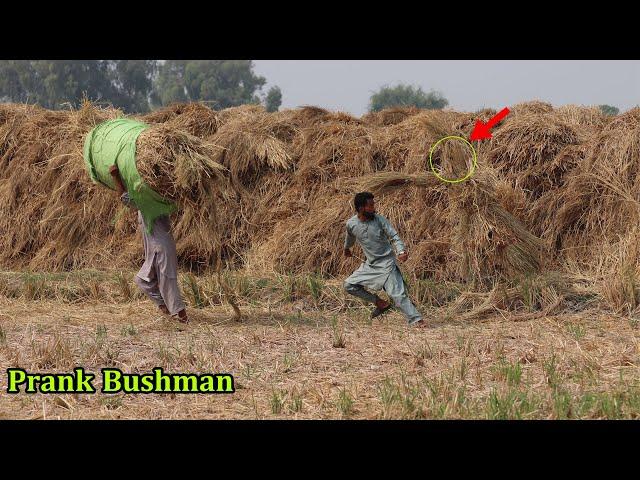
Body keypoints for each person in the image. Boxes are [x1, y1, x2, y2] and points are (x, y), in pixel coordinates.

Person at [109, 164, 188, 323]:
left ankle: (182, 318)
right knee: (142, 281)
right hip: (153, 249)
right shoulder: (151, 199)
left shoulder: (152, 200)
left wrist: (116, 176)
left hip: (162, 248)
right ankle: (165, 308)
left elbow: (125, 199)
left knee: (168, 283)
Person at [343, 192, 426, 328]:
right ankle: (380, 303)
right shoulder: (351, 224)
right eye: (370, 206)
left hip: (387, 265)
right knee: (349, 285)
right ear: (361, 208)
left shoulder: (379, 220)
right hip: (370, 265)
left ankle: (417, 320)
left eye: (373, 205)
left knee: (397, 296)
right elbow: (350, 237)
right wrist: (347, 249)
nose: (374, 208)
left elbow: (394, 236)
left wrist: (401, 251)